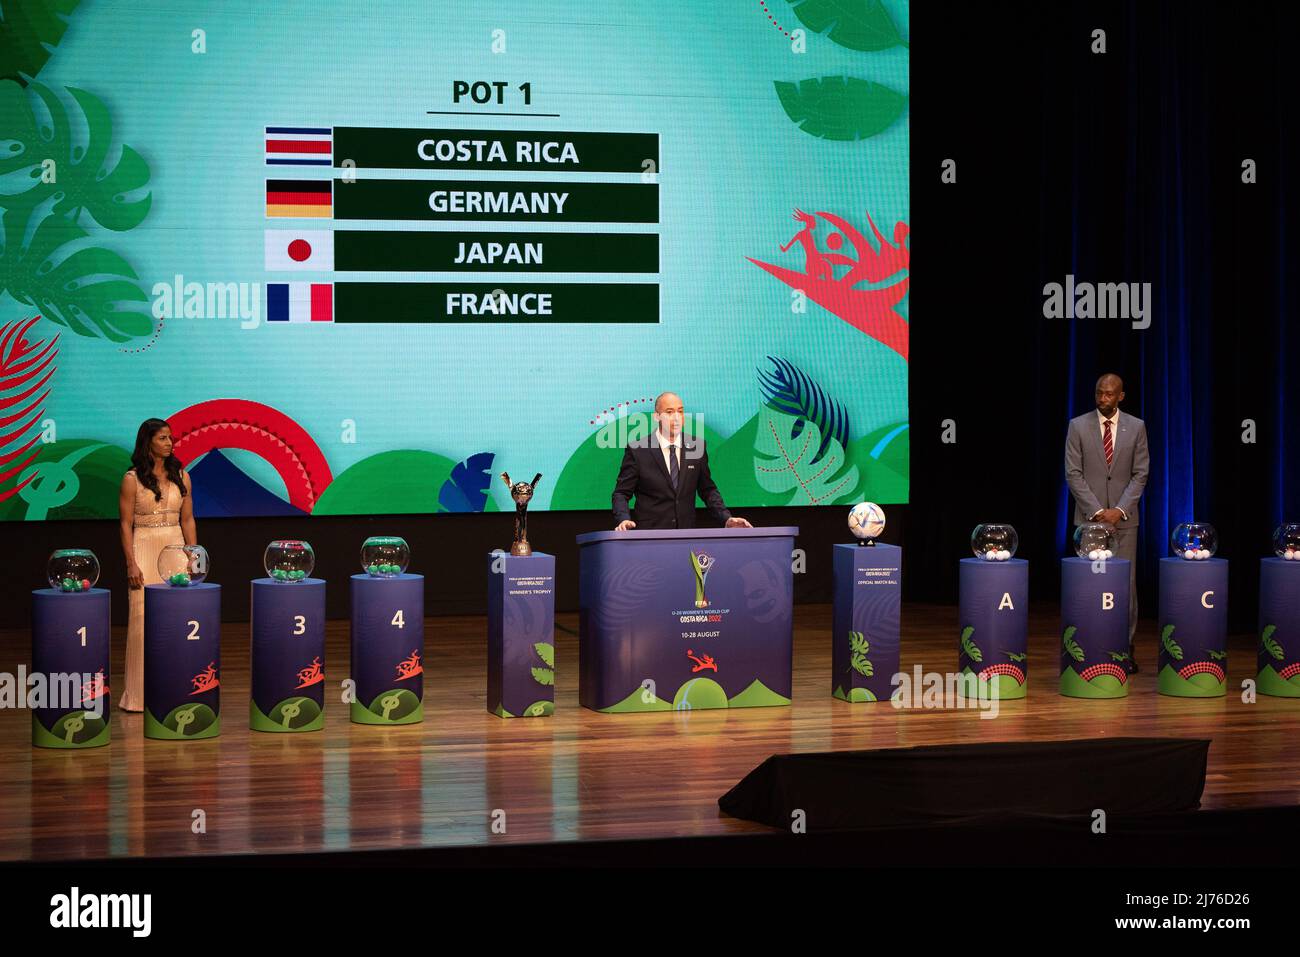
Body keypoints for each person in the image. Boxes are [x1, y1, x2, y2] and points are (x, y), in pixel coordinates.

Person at [1064, 373, 1149, 671]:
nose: (1103, 399)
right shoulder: (1078, 426)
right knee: (1092, 584)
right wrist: (1098, 512)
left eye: (1109, 394)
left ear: (1121, 396)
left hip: (1124, 522)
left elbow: (1141, 473)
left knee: (1124, 586)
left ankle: (1123, 648)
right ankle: (1089, 646)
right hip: (1089, 521)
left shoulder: (1136, 427)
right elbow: (1073, 473)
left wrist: (1120, 510)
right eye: (1099, 393)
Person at [117, 418, 196, 712]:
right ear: (148, 441)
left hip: (174, 546)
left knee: (176, 619)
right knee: (141, 620)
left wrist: (192, 553)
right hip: (144, 546)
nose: (169, 443)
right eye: (162, 438)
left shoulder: (182, 476)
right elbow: (125, 524)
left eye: (170, 438)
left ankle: (174, 689)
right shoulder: (131, 479)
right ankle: (138, 696)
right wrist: (131, 564)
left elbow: (187, 519)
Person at [612, 392, 752, 531]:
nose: (677, 417)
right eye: (669, 412)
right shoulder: (638, 449)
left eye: (680, 411)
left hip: (685, 534)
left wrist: (726, 518)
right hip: (651, 535)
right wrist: (624, 519)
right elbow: (621, 493)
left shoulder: (696, 446)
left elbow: (707, 490)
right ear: (656, 416)